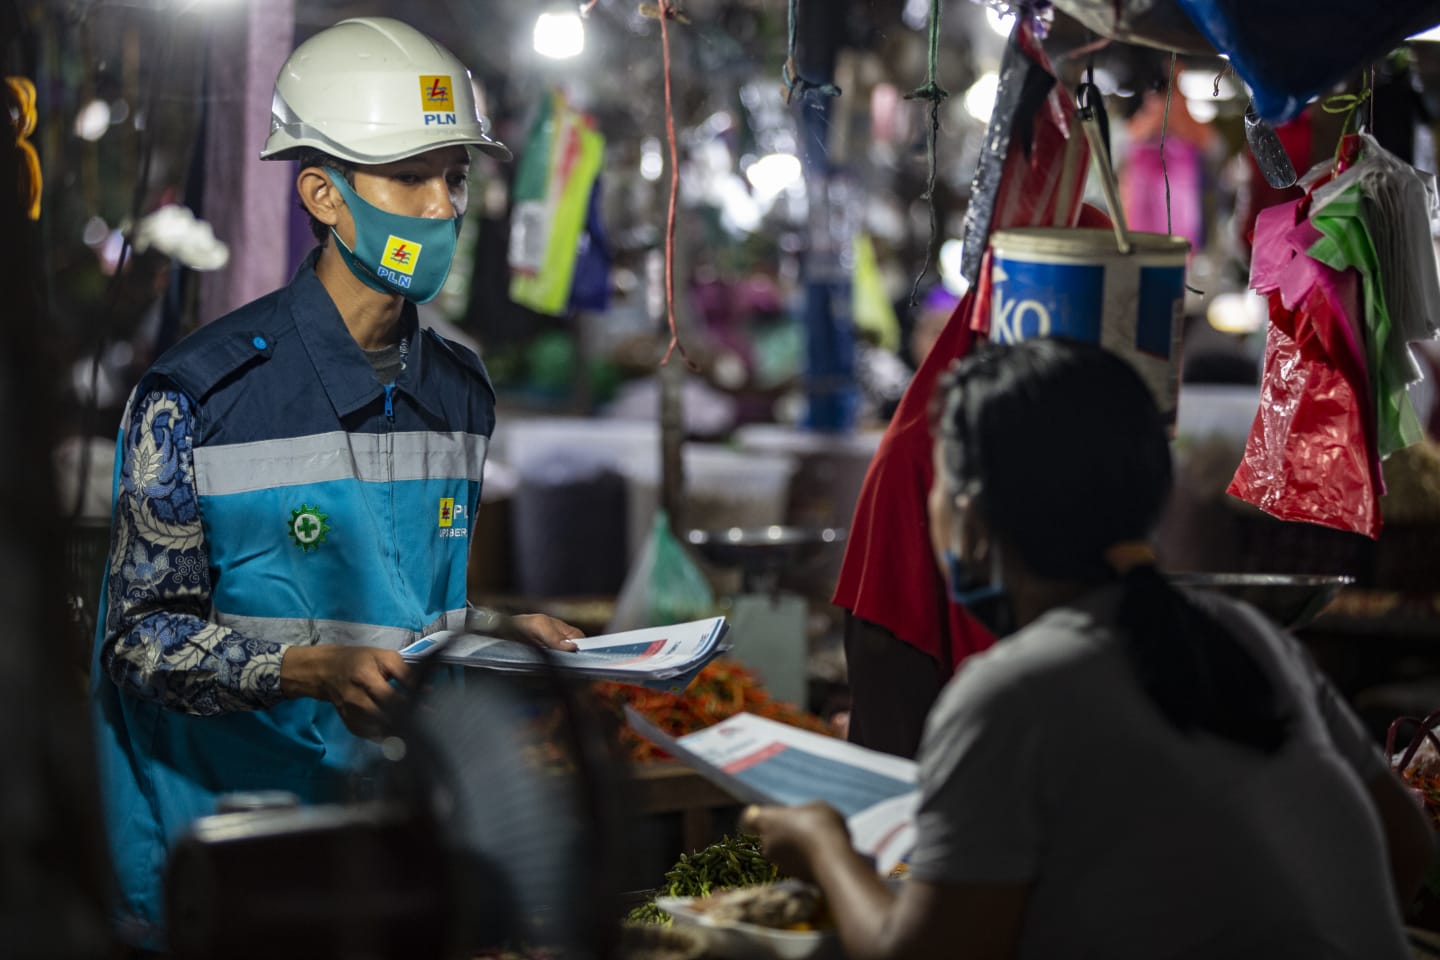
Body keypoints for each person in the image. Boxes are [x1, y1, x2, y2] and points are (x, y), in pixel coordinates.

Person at [90, 17, 582, 948]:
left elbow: (411, 609)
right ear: (323, 193)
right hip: (230, 859)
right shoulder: (199, 396)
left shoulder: (459, 392)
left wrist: (496, 634)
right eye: (411, 176)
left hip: (398, 845)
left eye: (455, 176)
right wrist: (308, 669)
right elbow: (140, 645)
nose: (443, 205)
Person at [747, 338, 1433, 959]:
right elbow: (1409, 848)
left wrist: (823, 845)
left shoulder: (1010, 696)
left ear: (973, 513)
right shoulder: (1247, 637)